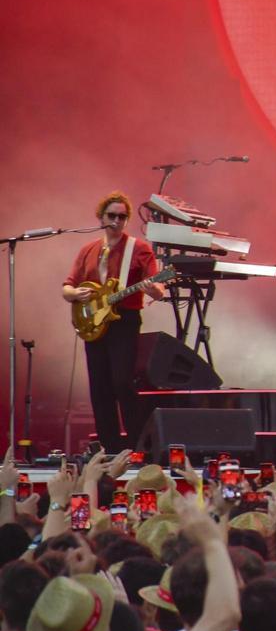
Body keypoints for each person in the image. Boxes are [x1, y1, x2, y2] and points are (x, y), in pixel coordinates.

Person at [62, 191, 166, 450]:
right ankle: (109, 447)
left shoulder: (139, 249)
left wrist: (155, 289)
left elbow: (157, 287)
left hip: (124, 320)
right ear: (101, 217)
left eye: (122, 216)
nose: (117, 221)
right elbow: (67, 287)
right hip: (94, 323)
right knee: (99, 387)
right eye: (112, 215)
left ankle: (136, 445)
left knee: (122, 381)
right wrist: (76, 293)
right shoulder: (88, 250)